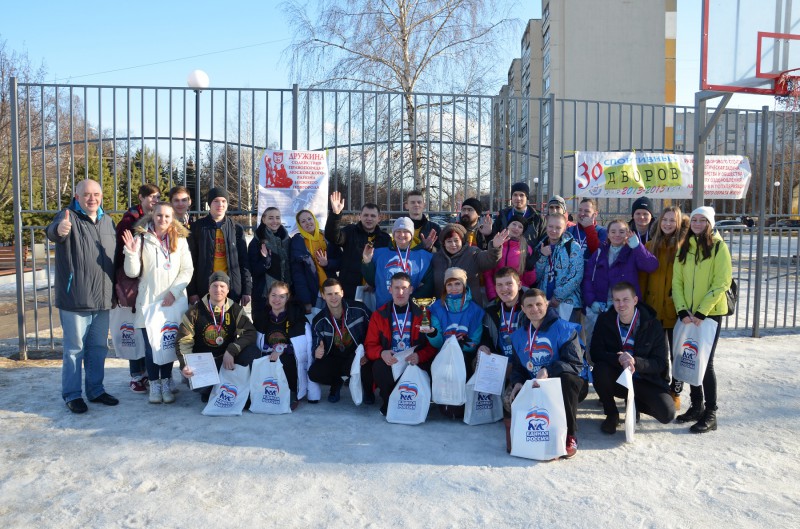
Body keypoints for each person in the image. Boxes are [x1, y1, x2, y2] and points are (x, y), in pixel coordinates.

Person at [46, 179, 119, 413]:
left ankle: (95, 390)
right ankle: (72, 394)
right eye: (86, 194)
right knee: (74, 349)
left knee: (98, 347)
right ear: (77, 197)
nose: (92, 198)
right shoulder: (67, 216)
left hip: (103, 298)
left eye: (96, 194)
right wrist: (58, 230)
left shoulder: (108, 221)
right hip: (75, 297)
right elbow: (53, 232)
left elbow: (113, 260)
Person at [121, 202, 194, 404]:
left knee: (169, 343)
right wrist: (131, 253)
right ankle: (154, 383)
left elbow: (187, 270)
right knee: (152, 346)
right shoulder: (141, 238)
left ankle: (166, 382)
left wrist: (174, 292)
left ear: (173, 219)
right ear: (153, 215)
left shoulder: (179, 240)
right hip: (150, 302)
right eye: (159, 215)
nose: (163, 220)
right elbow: (132, 272)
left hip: (173, 301)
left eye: (167, 217)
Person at [672, 206, 732, 433]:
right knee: (690, 357)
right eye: (694, 219)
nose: (697, 223)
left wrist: (702, 311)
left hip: (709, 314)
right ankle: (695, 405)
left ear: (710, 223)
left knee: (706, 363)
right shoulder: (684, 247)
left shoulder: (719, 247)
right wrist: (682, 309)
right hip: (687, 314)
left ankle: (711, 412)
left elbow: (722, 282)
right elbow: (676, 282)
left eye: (702, 220)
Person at [507, 289, 585, 459]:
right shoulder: (518, 336)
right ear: (523, 308)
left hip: (564, 386)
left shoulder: (564, 329)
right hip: (535, 385)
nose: (534, 309)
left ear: (547, 304)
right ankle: (525, 435)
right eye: (529, 305)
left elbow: (575, 364)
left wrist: (549, 370)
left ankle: (570, 435)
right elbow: (519, 367)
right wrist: (518, 382)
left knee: (568, 379)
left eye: (538, 304)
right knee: (510, 395)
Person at [590, 282, 676, 434]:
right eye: (617, 300)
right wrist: (617, 359)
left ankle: (634, 403)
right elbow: (595, 353)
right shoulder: (605, 320)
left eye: (625, 299)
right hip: (618, 377)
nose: (621, 304)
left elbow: (660, 363)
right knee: (599, 370)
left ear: (635, 300)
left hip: (644, 378)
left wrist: (636, 361)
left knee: (667, 414)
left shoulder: (653, 324)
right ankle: (611, 414)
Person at [177, 271, 260, 402]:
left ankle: (236, 385)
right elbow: (183, 341)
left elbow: (249, 333)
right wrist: (184, 364)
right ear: (209, 288)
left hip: (228, 360)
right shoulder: (195, 311)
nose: (218, 290)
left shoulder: (235, 309)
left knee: (252, 352)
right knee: (197, 383)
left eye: (222, 286)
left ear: (228, 289)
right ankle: (212, 388)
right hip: (204, 362)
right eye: (214, 286)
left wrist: (232, 350)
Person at [364, 272, 437, 416]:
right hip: (393, 362)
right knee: (378, 366)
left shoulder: (424, 314)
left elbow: (433, 345)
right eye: (396, 288)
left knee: (432, 364)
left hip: (414, 361)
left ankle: (419, 400)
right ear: (390, 289)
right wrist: (381, 353)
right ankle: (389, 400)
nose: (400, 292)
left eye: (404, 288)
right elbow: (370, 345)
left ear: (411, 289)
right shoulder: (379, 315)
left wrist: (420, 356)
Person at [640, 206, 688, 408]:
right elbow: (643, 278)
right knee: (658, 353)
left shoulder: (684, 247)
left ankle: (676, 391)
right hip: (653, 308)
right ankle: (660, 386)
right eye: (665, 220)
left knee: (677, 352)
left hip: (676, 309)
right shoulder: (650, 246)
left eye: (672, 220)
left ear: (679, 224)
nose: (668, 224)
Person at [114, 183, 161, 394]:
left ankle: (148, 374)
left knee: (148, 330)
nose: (154, 200)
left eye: (157, 197)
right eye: (151, 197)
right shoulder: (129, 221)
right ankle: (136, 375)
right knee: (133, 329)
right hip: (132, 280)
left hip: (151, 282)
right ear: (141, 198)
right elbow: (120, 253)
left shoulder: (157, 218)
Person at [310, 279, 374, 403]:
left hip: (358, 355)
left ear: (342, 293)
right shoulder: (319, 320)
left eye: (336, 293)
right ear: (323, 296)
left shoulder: (359, 309)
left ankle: (367, 390)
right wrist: (316, 351)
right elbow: (316, 343)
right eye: (329, 294)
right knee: (315, 373)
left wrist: (367, 352)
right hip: (336, 358)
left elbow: (374, 331)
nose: (333, 297)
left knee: (369, 367)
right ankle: (337, 383)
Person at [187, 187, 251, 306]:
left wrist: (246, 290)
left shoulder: (236, 228)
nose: (220, 204)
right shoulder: (197, 228)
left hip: (232, 289)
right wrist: (192, 292)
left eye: (223, 201)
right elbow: (191, 262)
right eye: (216, 201)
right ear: (209, 204)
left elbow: (243, 262)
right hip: (204, 288)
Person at [252, 281, 311, 409]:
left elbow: (302, 347)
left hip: (288, 358)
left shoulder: (297, 318)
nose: (277, 299)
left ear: (287, 298)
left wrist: (282, 349)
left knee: (286, 359)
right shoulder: (262, 317)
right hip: (268, 357)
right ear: (268, 296)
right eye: (273, 295)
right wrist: (268, 351)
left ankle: (291, 392)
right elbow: (257, 342)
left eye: (281, 296)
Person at [325, 191, 391, 300]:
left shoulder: (385, 238)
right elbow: (333, 237)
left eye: (373, 216)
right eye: (365, 215)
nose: (369, 218)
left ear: (379, 218)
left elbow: (386, 264)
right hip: (350, 288)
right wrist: (335, 215)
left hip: (376, 288)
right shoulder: (350, 231)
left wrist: (373, 282)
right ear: (360, 216)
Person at [422, 267, 485, 376]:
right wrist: (433, 334)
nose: (453, 288)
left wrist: (461, 344)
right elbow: (437, 344)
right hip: (442, 355)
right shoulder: (436, 308)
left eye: (457, 284)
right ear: (445, 287)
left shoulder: (475, 310)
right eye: (449, 284)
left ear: (464, 285)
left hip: (464, 357)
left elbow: (474, 343)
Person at [362, 217, 434, 309]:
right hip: (384, 309)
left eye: (406, 231)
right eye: (398, 231)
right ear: (393, 233)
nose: (402, 234)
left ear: (411, 235)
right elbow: (372, 281)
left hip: (412, 309)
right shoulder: (379, 254)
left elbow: (428, 286)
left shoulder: (423, 256)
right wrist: (367, 262)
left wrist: (408, 301)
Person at [431, 223, 506, 307]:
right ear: (444, 243)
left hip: (470, 308)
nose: (453, 244)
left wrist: (495, 247)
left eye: (456, 240)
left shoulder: (473, 253)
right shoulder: (436, 258)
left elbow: (489, 260)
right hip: (444, 308)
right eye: (449, 241)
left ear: (462, 241)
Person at [534, 213, 584, 323]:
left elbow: (576, 275)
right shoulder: (540, 246)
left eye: (558, 227)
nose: (553, 230)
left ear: (565, 228)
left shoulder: (573, 246)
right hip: (544, 302)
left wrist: (557, 297)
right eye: (551, 226)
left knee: (567, 338)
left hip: (567, 303)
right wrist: (542, 257)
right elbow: (536, 277)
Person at [290, 209, 340, 313]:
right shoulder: (298, 241)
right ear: (299, 225)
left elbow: (340, 262)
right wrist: (306, 300)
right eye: (303, 221)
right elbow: (298, 274)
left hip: (332, 289)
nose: (308, 223)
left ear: (314, 219)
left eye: (309, 218)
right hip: (313, 291)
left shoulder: (326, 237)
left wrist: (327, 263)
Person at [248, 207, 292, 325]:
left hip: (286, 292)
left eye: (277, 218)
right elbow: (253, 271)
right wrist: (266, 261)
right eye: (270, 218)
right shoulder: (257, 242)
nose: (275, 221)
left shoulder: (287, 239)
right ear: (263, 219)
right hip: (264, 294)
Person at [483, 215, 537, 301]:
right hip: (498, 292)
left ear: (523, 231)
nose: (516, 228)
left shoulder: (526, 249)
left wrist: (530, 269)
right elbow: (488, 272)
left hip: (517, 294)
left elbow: (529, 281)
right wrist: (492, 294)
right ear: (508, 226)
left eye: (520, 227)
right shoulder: (496, 243)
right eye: (514, 224)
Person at [480, 267, 528, 360]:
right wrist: (483, 346)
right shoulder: (491, 310)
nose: (504, 289)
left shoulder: (531, 308)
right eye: (499, 285)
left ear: (519, 285)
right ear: (495, 288)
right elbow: (486, 339)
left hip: (525, 364)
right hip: (500, 364)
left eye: (509, 284)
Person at [493, 181, 546, 248]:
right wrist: (488, 233)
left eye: (521, 195)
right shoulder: (503, 215)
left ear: (527, 197)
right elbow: (493, 239)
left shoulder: (538, 218)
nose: (518, 198)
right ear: (511, 197)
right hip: (504, 257)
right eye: (515, 195)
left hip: (529, 257)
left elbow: (544, 242)